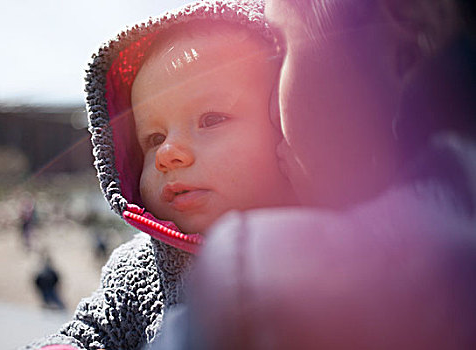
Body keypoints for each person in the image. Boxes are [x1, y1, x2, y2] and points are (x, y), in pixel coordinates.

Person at [147, 0, 476, 348]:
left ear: (405, 50)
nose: (270, 112)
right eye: (151, 139)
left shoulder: (254, 287)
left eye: (279, 52)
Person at [23, 1, 295, 349]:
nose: (167, 154)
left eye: (210, 119)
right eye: (153, 139)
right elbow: (92, 333)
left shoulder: (334, 246)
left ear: (284, 123)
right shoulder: (138, 270)